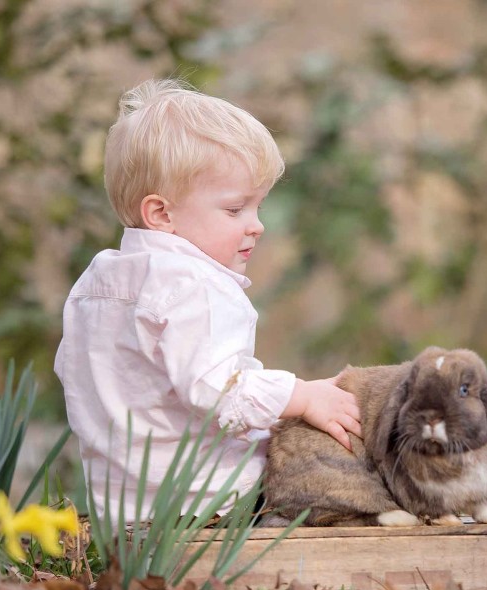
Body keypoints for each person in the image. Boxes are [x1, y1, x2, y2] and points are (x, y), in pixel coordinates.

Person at [54, 78, 361, 520]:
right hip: (212, 501)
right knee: (335, 465)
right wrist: (302, 396)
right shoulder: (196, 286)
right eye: (235, 209)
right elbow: (220, 390)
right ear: (161, 213)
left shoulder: (97, 282)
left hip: (121, 508)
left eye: (258, 206)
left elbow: (73, 372)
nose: (256, 225)